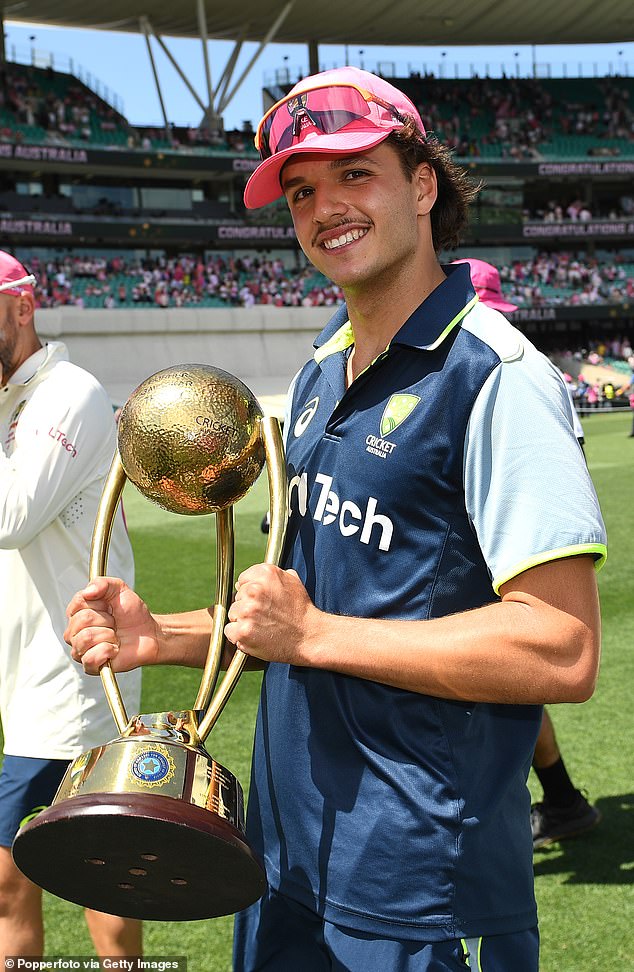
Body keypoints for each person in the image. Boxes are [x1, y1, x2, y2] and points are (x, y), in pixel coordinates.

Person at [66, 68, 607, 972]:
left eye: (356, 174)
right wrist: (159, 635)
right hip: (285, 860)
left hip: (423, 890)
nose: (326, 209)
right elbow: (307, 604)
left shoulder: (496, 379)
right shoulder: (323, 365)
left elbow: (561, 646)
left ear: (423, 186)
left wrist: (313, 635)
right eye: (302, 191)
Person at [0, 252, 143, 961]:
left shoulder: (69, 392)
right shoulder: (11, 398)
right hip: (20, 681)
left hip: (76, 677)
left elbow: (10, 515)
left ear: (22, 308)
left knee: (100, 883)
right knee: (7, 884)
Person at [452, 257, 601, 848]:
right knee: (511, 693)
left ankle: (529, 813)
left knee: (498, 689)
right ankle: (562, 801)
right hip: (495, 556)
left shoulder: (511, 372)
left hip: (503, 561)